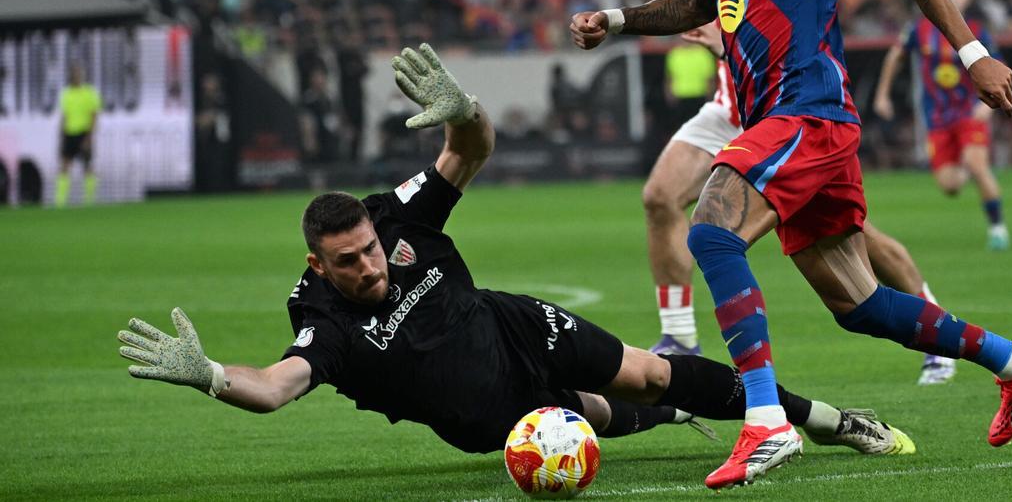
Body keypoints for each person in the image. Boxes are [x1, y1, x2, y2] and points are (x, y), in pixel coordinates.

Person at [117, 44, 916, 462]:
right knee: (596, 418)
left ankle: (826, 419)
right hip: (482, 414)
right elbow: (276, 385)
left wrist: (464, 111)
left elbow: (469, 152)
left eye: (368, 251)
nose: (368, 266)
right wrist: (214, 376)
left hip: (515, 326)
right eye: (350, 262)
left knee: (650, 369)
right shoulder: (321, 319)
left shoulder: (395, 221)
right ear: (319, 266)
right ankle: (670, 416)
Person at [570, 0, 1012, 489]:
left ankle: (766, 421)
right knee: (858, 303)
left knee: (712, 231)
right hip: (785, 123)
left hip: (809, 114)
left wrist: (972, 55)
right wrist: (617, 19)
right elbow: (692, 5)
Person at [644, 0, 957, 387]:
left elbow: (788, 18)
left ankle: (938, 333)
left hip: (792, 109)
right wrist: (627, 21)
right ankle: (679, 334)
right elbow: (712, 6)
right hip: (733, 105)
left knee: (854, 247)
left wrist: (972, 53)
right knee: (660, 196)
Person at [874, 0, 1010, 250]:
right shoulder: (919, 30)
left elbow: (996, 68)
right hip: (936, 118)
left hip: (970, 112)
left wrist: (987, 107)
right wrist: (882, 94)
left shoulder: (976, 31)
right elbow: (895, 56)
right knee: (949, 186)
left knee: (977, 165)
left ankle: (998, 229)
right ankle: (969, 167)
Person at [57, 62, 101, 207]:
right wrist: (62, 135)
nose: (76, 76)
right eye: (74, 73)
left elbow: (94, 115)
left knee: (87, 166)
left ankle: (89, 200)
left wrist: (89, 136)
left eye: (78, 73)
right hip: (69, 133)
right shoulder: (66, 94)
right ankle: (60, 201)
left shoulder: (89, 93)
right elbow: (64, 116)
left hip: (83, 133)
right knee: (64, 166)